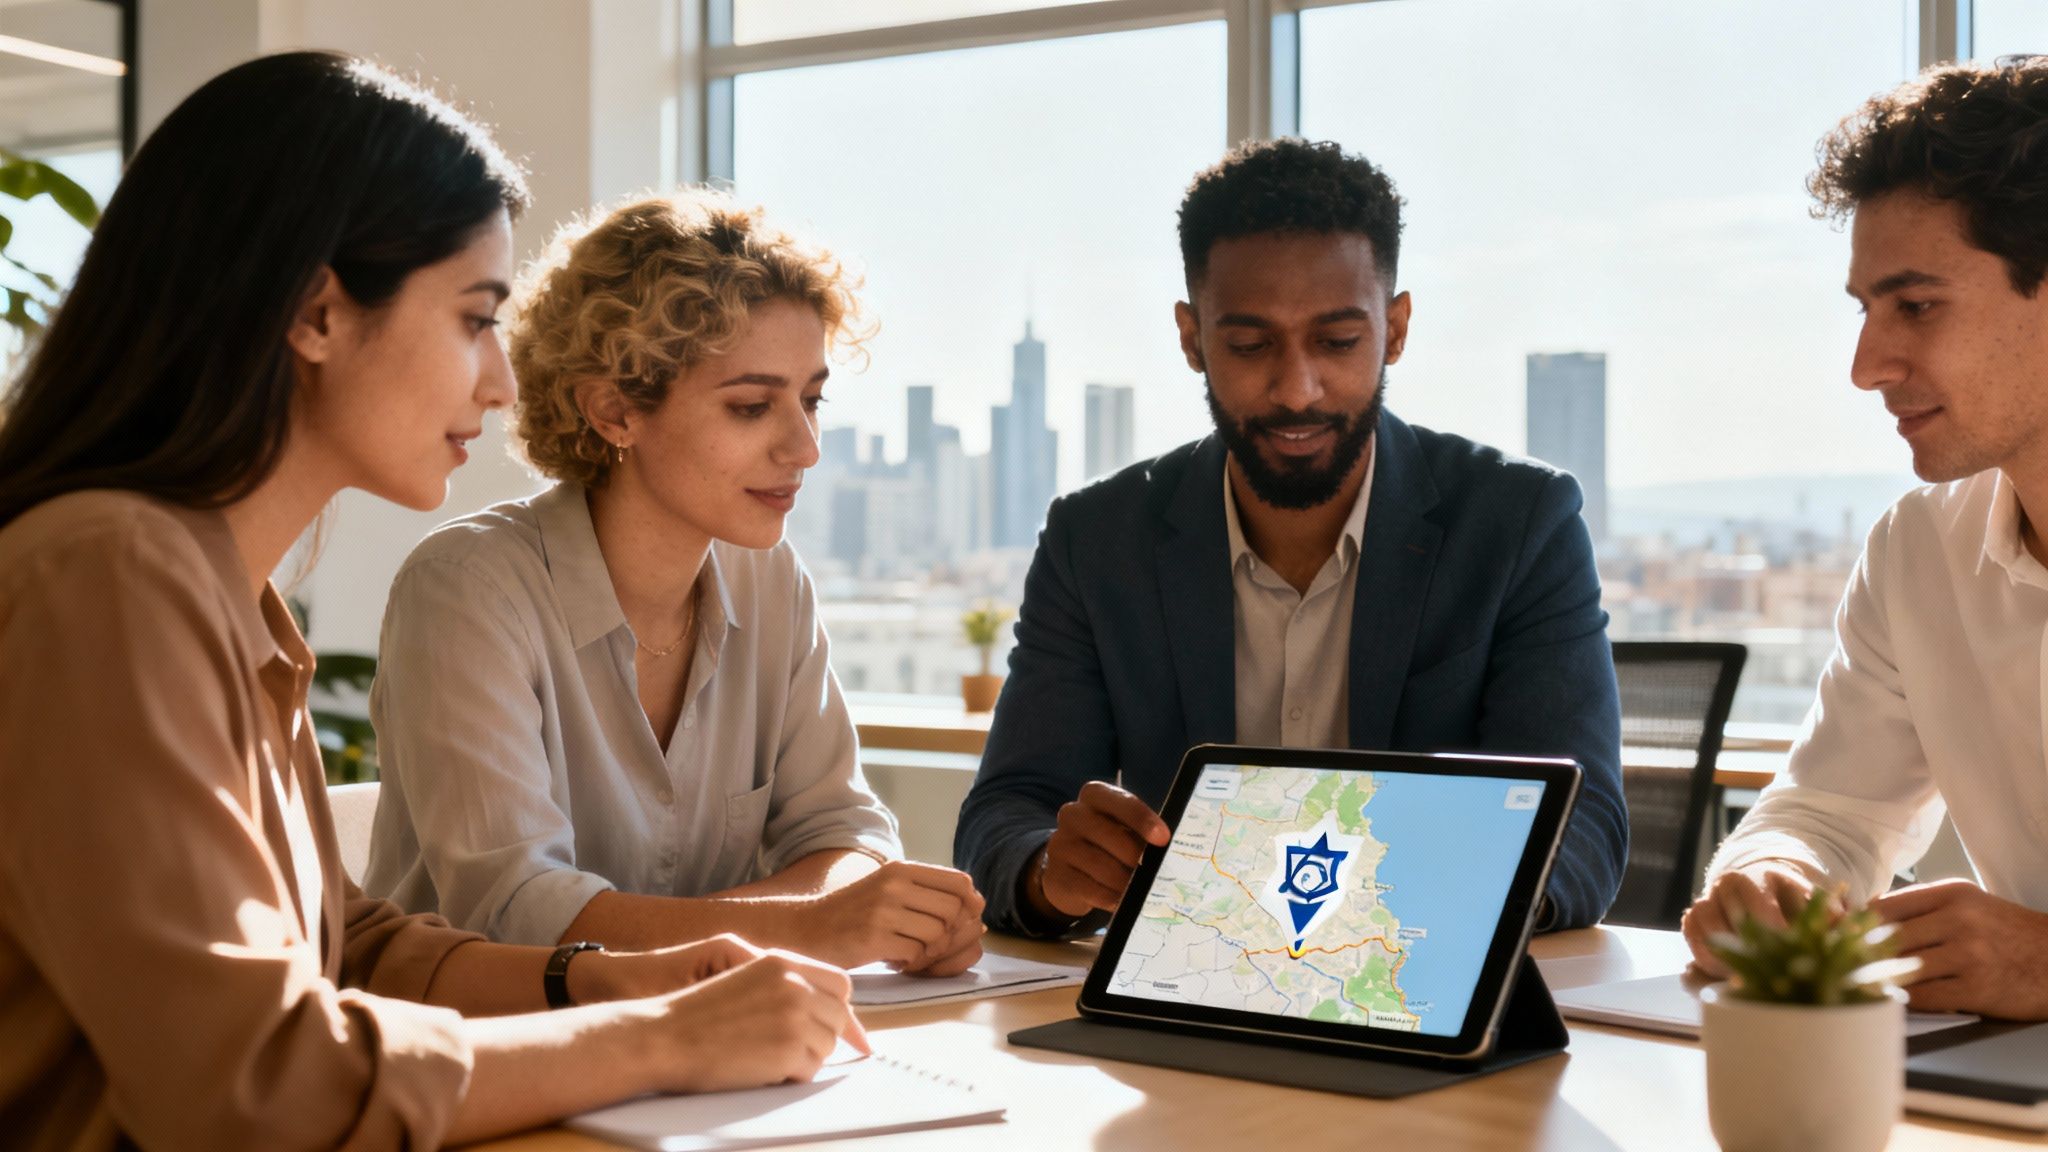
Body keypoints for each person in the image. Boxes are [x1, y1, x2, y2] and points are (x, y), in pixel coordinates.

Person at [0, 53, 867, 1152]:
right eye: (474, 319)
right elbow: (255, 1083)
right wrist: (660, 1038)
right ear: (318, 313)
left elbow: (344, 947)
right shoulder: (106, 576)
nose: (501, 383)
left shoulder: (228, 595)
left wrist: (606, 977)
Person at [954, 138, 1629, 938]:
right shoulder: (1098, 540)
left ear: (1396, 329)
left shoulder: (1520, 523)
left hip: (1416, 970)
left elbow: (1583, 829)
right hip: (1188, 981)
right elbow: (1008, 812)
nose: (1297, 389)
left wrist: (1457, 900)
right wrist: (1049, 873)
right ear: (1191, 338)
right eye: (1250, 345)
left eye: (1337, 342)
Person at [363, 189, 986, 977]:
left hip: (714, 1037)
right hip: (480, 1040)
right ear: (614, 411)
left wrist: (885, 917)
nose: (805, 448)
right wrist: (810, 927)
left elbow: (846, 836)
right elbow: (517, 912)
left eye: (812, 400)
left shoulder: (771, 581)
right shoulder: (467, 590)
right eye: (752, 406)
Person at [1684, 56, 2048, 1021]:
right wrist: (1774, 875)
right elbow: (1831, 812)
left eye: (1916, 306)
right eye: (1867, 309)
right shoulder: (1918, 551)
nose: (1866, 366)